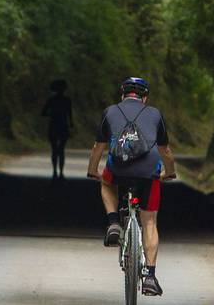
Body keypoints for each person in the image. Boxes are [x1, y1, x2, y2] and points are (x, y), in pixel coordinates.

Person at [87, 77, 176, 296]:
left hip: (118, 168)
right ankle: (150, 277)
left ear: (123, 95)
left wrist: (93, 171)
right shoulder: (155, 114)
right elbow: (165, 151)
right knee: (150, 222)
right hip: (149, 172)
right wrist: (170, 172)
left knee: (106, 183)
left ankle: (114, 223)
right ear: (144, 97)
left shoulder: (110, 111)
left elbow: (98, 147)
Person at [41, 79, 73, 180]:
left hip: (54, 125)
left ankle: (55, 171)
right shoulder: (67, 100)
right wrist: (71, 124)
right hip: (63, 126)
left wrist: (52, 114)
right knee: (61, 150)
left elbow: (43, 113)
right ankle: (60, 172)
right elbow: (70, 114)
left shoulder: (51, 100)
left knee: (54, 150)